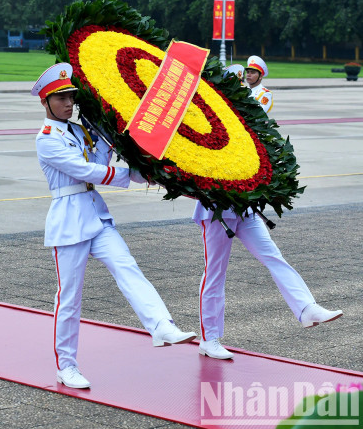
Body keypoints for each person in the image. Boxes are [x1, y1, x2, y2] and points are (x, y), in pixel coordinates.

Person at [32, 63, 196, 390]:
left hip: (95, 215)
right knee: (69, 298)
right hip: (69, 222)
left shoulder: (79, 131)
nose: (68, 103)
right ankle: (66, 366)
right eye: (61, 98)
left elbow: (100, 161)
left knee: (127, 266)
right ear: (45, 102)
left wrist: (117, 147)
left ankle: (161, 325)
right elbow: (85, 171)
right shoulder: (46, 139)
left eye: (71, 97)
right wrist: (131, 177)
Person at [193, 64, 341, 360]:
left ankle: (306, 308)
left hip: (245, 210)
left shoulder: (247, 122)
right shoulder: (208, 124)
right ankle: (209, 339)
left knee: (273, 256)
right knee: (215, 275)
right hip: (217, 213)